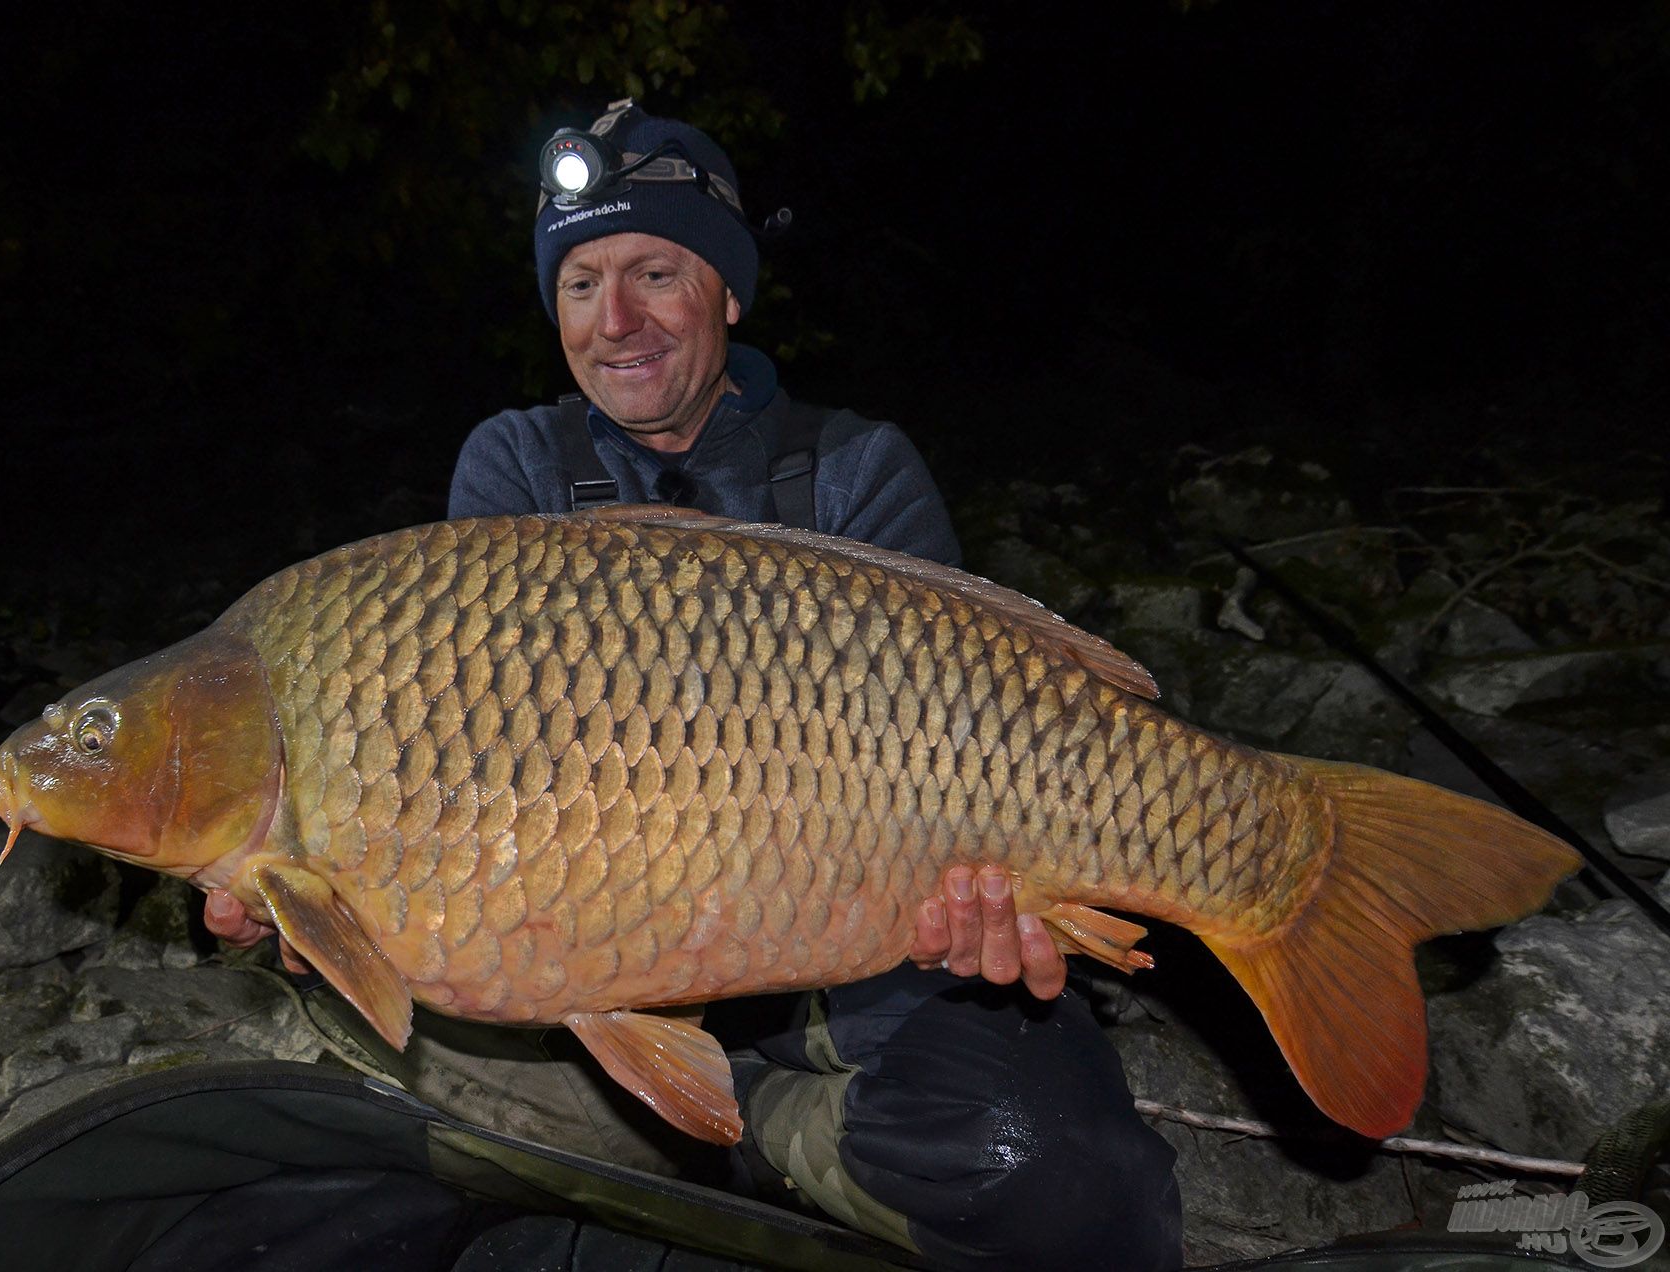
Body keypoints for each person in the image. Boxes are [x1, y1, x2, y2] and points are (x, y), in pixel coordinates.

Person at [209, 102, 1181, 1270]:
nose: (613, 321)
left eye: (656, 272)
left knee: (1071, 1193)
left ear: (727, 292)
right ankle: (733, 1148)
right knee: (343, 1104)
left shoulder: (855, 469)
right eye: (579, 285)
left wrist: (997, 911)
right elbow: (461, 787)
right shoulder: (515, 467)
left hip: (857, 996)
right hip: (590, 981)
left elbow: (969, 751)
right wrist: (329, 894)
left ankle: (755, 1143)